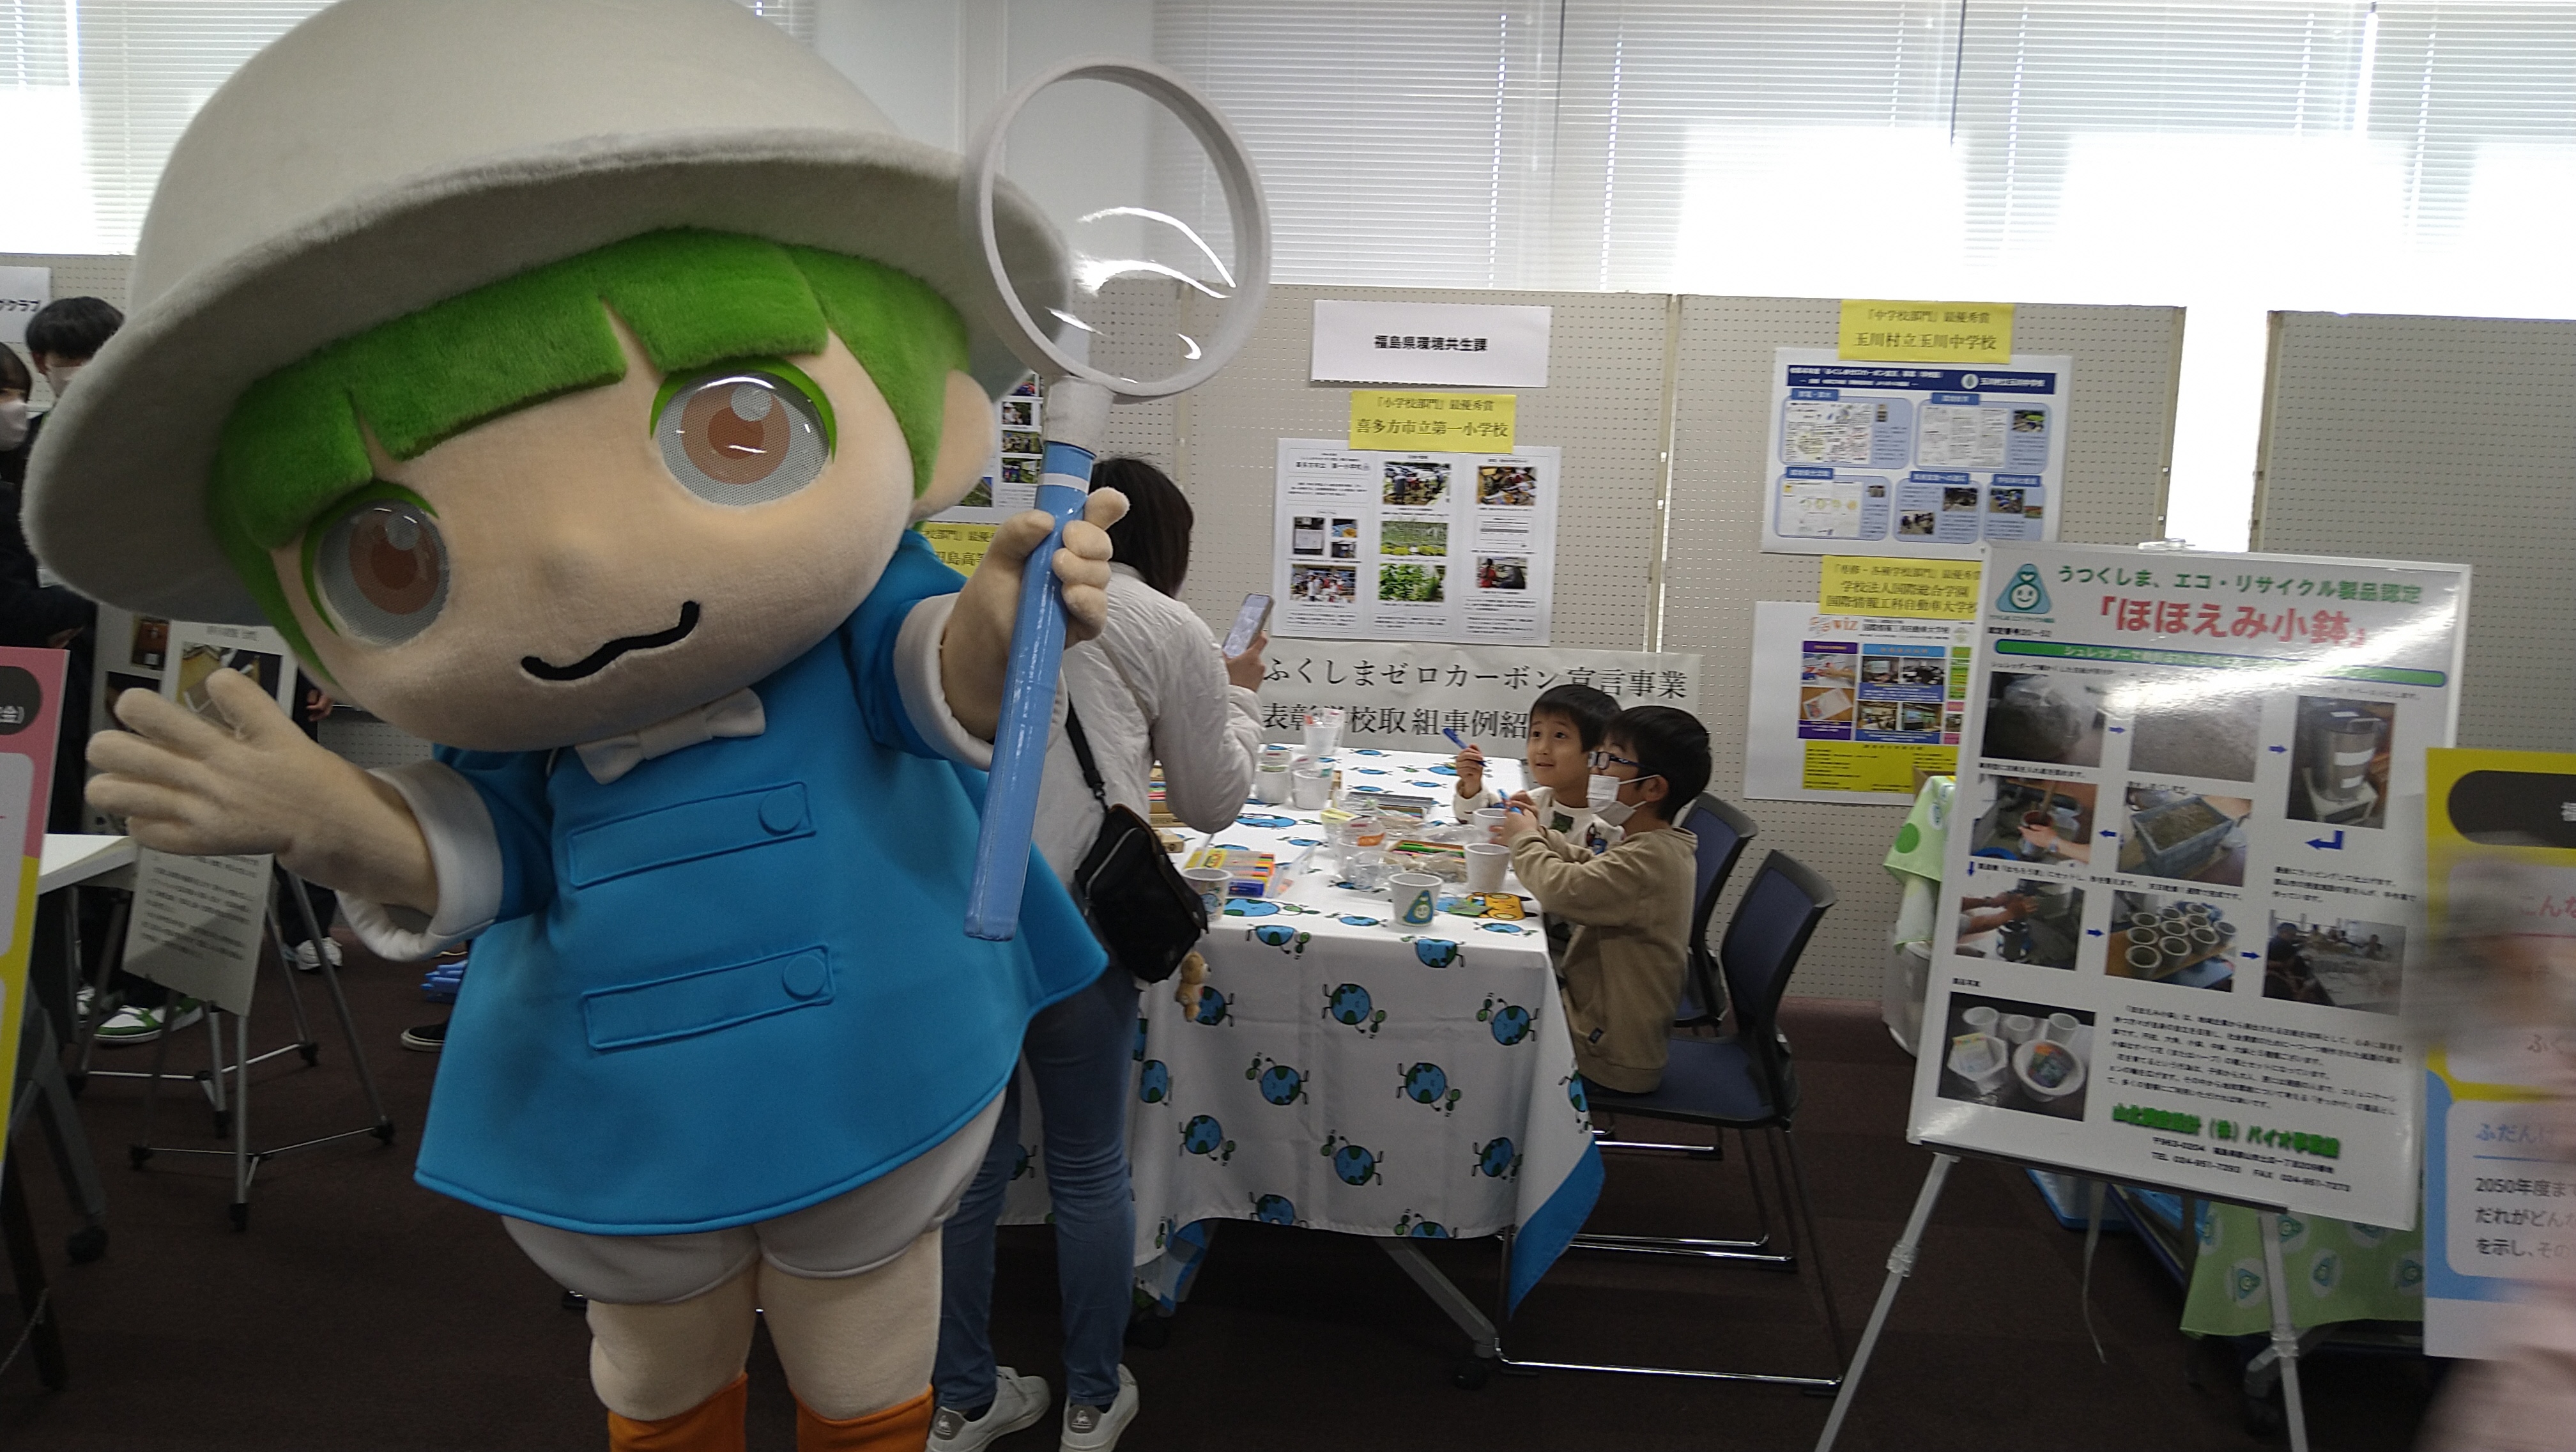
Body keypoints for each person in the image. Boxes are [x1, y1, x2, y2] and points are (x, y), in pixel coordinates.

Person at [36, 4, 1121, 1446]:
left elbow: (933, 680)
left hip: (868, 1046)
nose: (569, 563)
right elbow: (501, 842)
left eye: (736, 427)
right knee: (657, 1367)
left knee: (863, 1355)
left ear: (931, 417)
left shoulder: (859, 610)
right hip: (627, 1079)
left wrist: (996, 623)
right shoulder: (524, 737)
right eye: (393, 554)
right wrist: (346, 824)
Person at [933, 456, 1262, 1452]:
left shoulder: (968, 600)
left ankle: (959, 1398)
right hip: (1081, 915)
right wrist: (1242, 699)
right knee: (1087, 1166)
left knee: (965, 1172)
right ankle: (1089, 1398)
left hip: (961, 907)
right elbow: (1212, 801)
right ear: (1169, 543)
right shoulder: (1167, 623)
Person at [1500, 705, 1710, 1094]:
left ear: (1653, 788)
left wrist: (1524, 839)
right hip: (1597, 1014)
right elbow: (1593, 868)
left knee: (1482, 1012)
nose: (1595, 770)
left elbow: (1561, 889)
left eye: (1609, 761)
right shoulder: (1650, 844)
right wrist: (1542, 835)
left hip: (1609, 1050)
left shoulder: (1648, 861)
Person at [1450, 681, 1618, 836]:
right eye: (1536, 734)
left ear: (1597, 756)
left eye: (1560, 736)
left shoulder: (1608, 827)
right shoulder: (1535, 801)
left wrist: (1531, 835)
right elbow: (1479, 822)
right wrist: (1472, 784)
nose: (1542, 749)